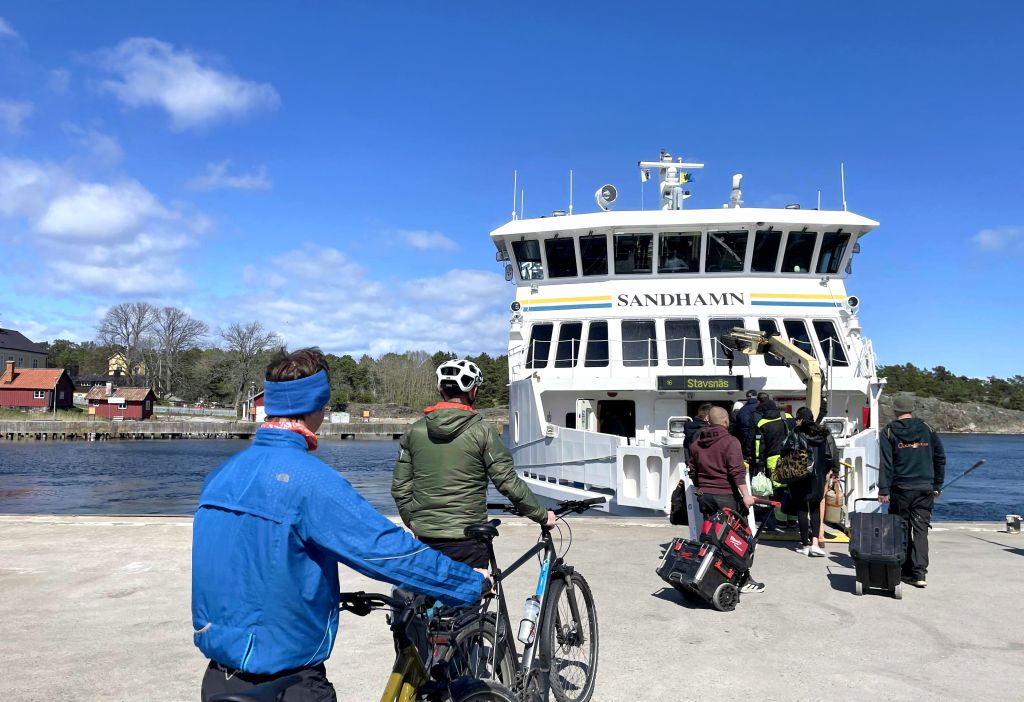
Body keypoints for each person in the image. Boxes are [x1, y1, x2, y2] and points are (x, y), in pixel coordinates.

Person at [192, 349, 488, 702]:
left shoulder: (221, 476)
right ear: (318, 405)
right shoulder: (311, 481)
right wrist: (468, 583)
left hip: (218, 677)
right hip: (289, 685)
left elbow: (250, 562)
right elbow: (385, 550)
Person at [392, 359, 555, 568]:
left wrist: (415, 523)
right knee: (474, 587)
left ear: (441, 389)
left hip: (426, 537)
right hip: (469, 538)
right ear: (473, 391)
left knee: (430, 586)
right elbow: (507, 482)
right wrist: (542, 515)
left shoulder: (414, 431)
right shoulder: (483, 431)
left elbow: (400, 488)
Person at [688, 406, 765, 593]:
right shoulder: (731, 442)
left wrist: (701, 488)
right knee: (737, 540)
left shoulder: (697, 443)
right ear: (725, 421)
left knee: (712, 538)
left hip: (705, 497)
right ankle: (743, 580)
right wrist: (746, 496)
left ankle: (712, 577)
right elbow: (736, 471)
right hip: (726, 497)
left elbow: (692, 471)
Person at [879, 395, 946, 588]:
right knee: (920, 530)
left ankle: (903, 569)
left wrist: (883, 490)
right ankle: (920, 573)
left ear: (895, 410)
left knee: (901, 528)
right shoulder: (927, 428)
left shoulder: (889, 431)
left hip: (901, 488)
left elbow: (886, 463)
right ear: (911, 409)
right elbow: (940, 457)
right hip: (924, 488)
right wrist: (937, 485)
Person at [787, 407, 840, 556]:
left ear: (800, 418)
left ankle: (805, 545)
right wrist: (826, 471)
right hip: (818, 476)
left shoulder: (795, 433)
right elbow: (830, 455)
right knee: (815, 508)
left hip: (799, 476)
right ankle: (815, 543)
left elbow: (786, 451)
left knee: (802, 510)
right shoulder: (823, 433)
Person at [755, 399, 795, 528]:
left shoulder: (762, 423)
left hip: (773, 460)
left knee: (779, 491)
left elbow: (759, 447)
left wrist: (759, 465)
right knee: (793, 488)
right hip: (792, 458)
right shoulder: (788, 417)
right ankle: (793, 520)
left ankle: (781, 520)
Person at [732, 390, 759, 463]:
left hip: (747, 441)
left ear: (747, 397)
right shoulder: (761, 407)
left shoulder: (743, 410)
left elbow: (741, 425)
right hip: (761, 439)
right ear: (756, 396)